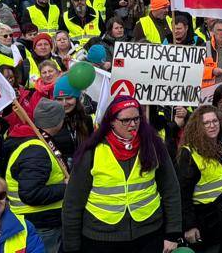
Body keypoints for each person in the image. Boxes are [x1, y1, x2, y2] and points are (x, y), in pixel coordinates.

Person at [60, 96, 183, 253]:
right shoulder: (91, 152)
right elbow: (72, 204)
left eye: (137, 119)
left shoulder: (153, 145)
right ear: (111, 121)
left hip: (148, 234)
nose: (133, 124)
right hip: (101, 239)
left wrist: (172, 234)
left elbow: (171, 190)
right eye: (126, 120)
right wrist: (72, 248)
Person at [174, 105, 222, 253]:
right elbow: (182, 194)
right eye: (206, 123)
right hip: (207, 221)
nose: (212, 126)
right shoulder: (190, 152)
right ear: (197, 126)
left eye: (215, 121)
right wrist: (189, 225)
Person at [3, 99, 69, 253]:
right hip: (40, 225)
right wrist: (66, 187)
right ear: (57, 122)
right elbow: (31, 194)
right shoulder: (36, 150)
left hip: (41, 222)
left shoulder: (38, 141)